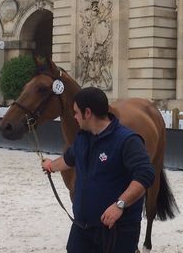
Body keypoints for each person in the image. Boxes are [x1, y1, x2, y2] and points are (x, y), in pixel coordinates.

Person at [41, 87, 155, 253]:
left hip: (117, 231)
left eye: (76, 112)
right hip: (82, 228)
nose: (74, 117)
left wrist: (119, 205)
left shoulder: (127, 140)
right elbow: (69, 159)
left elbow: (145, 175)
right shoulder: (83, 137)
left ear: (88, 113)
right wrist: (51, 166)